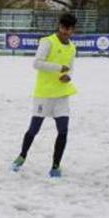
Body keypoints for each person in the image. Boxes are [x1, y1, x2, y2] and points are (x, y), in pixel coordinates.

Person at [11, 14, 78, 178]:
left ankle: (55, 166)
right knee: (34, 129)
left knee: (63, 131)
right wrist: (58, 68)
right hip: (44, 94)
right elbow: (37, 63)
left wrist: (68, 76)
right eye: (63, 27)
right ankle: (22, 156)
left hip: (62, 94)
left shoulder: (72, 47)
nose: (65, 31)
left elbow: (69, 68)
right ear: (59, 26)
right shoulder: (47, 41)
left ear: (72, 30)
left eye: (68, 29)